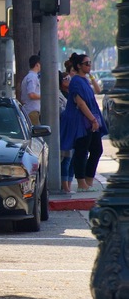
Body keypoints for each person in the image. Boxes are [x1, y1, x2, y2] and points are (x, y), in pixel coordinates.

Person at [60, 53, 108, 193]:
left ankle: (88, 181)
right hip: (81, 122)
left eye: (90, 63)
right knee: (81, 151)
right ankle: (81, 183)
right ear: (79, 66)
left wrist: (94, 119)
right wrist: (92, 119)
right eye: (86, 63)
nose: (89, 65)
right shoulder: (75, 81)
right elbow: (80, 103)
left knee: (96, 149)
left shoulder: (85, 80)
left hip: (91, 121)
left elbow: (96, 93)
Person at [58, 70, 73, 194]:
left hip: (71, 129)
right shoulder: (58, 95)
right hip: (63, 130)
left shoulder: (70, 94)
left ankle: (68, 184)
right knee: (66, 159)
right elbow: (62, 113)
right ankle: (65, 186)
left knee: (71, 158)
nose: (68, 81)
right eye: (66, 79)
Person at [21, 55, 42, 125]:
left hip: (31, 110)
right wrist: (43, 96)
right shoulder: (32, 77)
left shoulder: (29, 77)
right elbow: (31, 94)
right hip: (32, 111)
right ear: (37, 64)